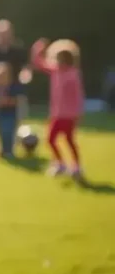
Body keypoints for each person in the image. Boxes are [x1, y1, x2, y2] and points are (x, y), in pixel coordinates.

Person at [30, 38, 85, 178]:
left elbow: (78, 95)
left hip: (69, 115)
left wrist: (78, 113)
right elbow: (39, 64)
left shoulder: (72, 74)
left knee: (69, 141)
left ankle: (77, 166)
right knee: (50, 139)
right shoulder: (56, 71)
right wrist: (37, 50)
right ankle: (60, 163)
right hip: (57, 114)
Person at [0, 62, 24, 159]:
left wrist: (6, 101)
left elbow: (17, 100)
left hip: (10, 114)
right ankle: (3, 149)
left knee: (8, 132)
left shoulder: (14, 87)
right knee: (0, 132)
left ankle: (9, 151)